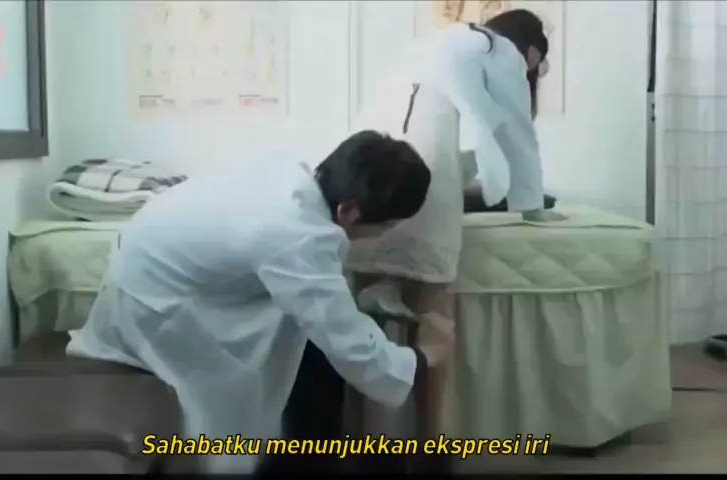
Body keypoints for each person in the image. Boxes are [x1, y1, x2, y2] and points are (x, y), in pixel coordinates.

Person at [65, 130, 445, 474]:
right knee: (237, 398)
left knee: (306, 346)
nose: (382, 237)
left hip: (151, 269)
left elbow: (323, 300)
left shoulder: (285, 171)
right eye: (386, 227)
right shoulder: (297, 233)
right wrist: (423, 358)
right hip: (155, 304)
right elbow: (348, 341)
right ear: (349, 210)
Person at [345, 8, 567, 463]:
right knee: (434, 318)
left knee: (367, 327)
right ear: (528, 49)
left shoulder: (436, 42)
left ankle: (372, 446)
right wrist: (533, 209)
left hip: (367, 158)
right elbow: (518, 135)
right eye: (538, 61)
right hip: (424, 162)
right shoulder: (500, 51)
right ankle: (432, 445)